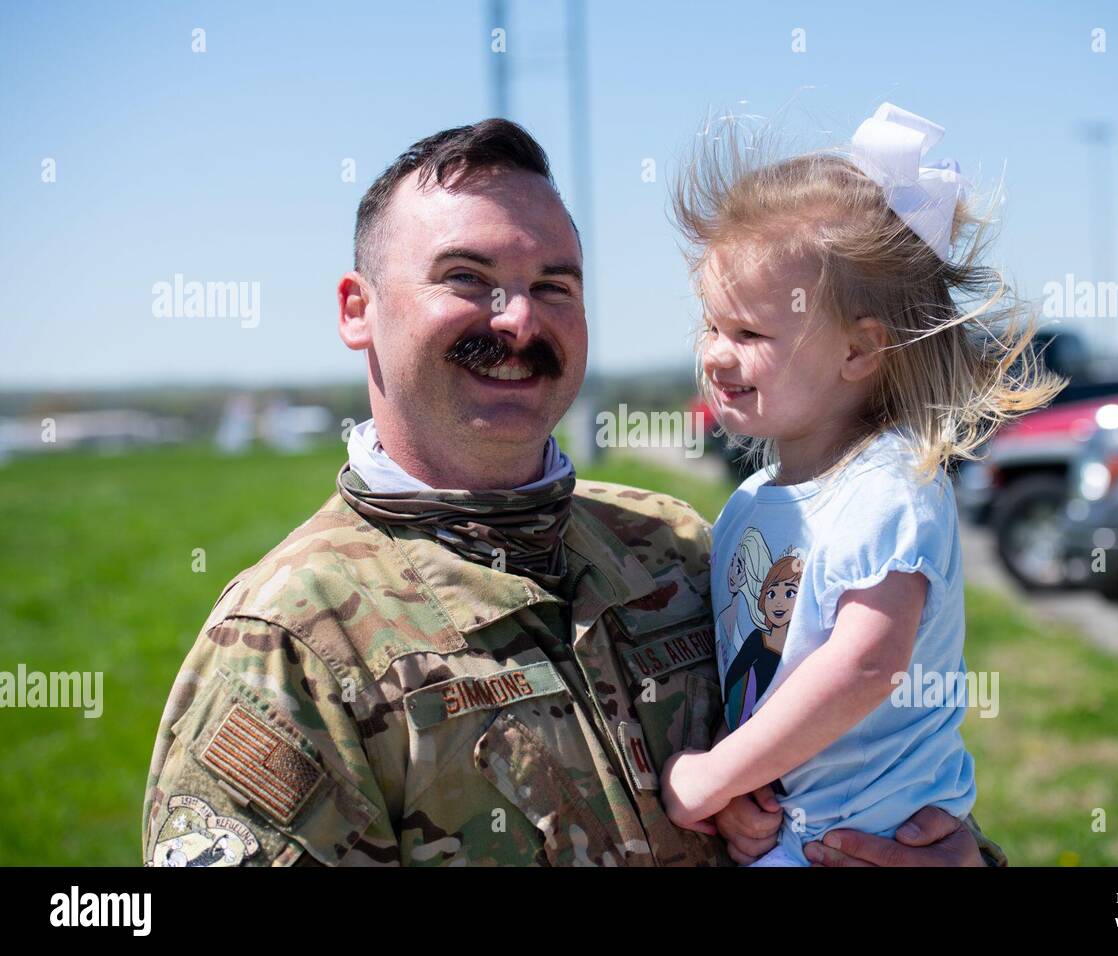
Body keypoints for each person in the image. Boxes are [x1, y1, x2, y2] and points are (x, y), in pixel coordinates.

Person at [142, 117, 1006, 866]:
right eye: (467, 278)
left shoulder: (676, 548)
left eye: (553, 284)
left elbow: (858, 751)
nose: (518, 319)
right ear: (356, 308)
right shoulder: (290, 647)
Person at [660, 104, 1060, 865]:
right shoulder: (751, 504)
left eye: (748, 334)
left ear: (859, 350)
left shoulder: (890, 487)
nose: (715, 355)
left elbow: (869, 666)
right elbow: (763, 675)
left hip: (870, 844)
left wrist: (712, 777)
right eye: (711, 327)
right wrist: (741, 778)